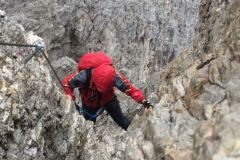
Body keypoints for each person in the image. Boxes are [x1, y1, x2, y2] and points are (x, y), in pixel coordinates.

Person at [63, 51, 153, 130]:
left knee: (122, 121)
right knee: (89, 126)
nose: (102, 90)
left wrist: (145, 102)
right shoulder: (84, 76)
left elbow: (130, 90)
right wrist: (70, 97)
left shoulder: (114, 76)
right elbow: (67, 83)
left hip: (108, 99)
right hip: (89, 102)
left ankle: (132, 134)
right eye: (100, 88)